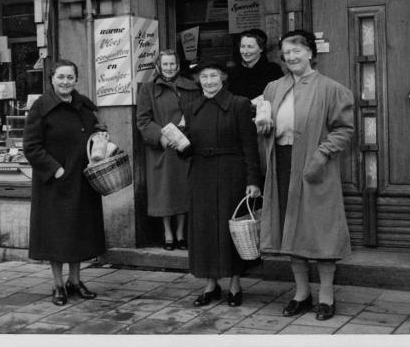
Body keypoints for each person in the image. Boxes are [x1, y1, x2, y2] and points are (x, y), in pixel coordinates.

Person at [257, 30, 355, 321]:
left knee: (322, 229)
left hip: (316, 165)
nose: (291, 57)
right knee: (292, 228)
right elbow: (267, 123)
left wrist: (322, 154)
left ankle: (326, 296)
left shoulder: (331, 88)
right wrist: (264, 128)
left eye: (297, 51)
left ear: (311, 53)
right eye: (286, 53)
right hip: (283, 163)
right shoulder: (273, 88)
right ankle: (301, 293)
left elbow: (345, 129)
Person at [172, 57, 261, 308]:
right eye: (204, 77)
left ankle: (234, 284)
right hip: (200, 174)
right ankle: (210, 285)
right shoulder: (191, 107)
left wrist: (253, 180)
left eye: (213, 76)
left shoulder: (239, 104)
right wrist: (179, 145)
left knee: (228, 228)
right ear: (198, 81)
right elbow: (187, 147)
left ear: (223, 78)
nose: (209, 81)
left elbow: (250, 146)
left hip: (231, 173)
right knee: (203, 230)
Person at [23, 59, 106, 306]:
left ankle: (75, 281)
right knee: (57, 236)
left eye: (70, 77)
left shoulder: (83, 105)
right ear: (51, 79)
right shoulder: (41, 107)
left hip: (82, 180)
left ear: (76, 79)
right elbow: (31, 147)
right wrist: (55, 169)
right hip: (55, 184)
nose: (65, 82)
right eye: (61, 77)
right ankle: (58, 285)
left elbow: (96, 132)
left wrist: (102, 137)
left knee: (78, 233)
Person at [136, 49, 201, 250]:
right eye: (165, 64)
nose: (169, 68)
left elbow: (198, 113)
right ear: (158, 66)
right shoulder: (148, 89)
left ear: (178, 65)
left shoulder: (191, 87)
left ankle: (181, 233)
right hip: (161, 150)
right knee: (164, 192)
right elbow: (143, 120)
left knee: (183, 190)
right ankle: (168, 233)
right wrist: (162, 138)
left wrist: (186, 134)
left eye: (172, 64)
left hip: (184, 146)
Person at [227, 28, 283, 101]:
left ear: (261, 49)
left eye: (250, 47)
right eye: (242, 46)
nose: (245, 51)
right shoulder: (234, 72)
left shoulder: (272, 71)